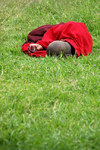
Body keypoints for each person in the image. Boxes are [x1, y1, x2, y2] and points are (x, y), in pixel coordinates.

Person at [22, 21, 93, 57]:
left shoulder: (82, 49)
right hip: (69, 28)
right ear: (61, 40)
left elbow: (50, 38)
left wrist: (41, 45)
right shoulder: (73, 29)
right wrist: (42, 45)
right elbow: (53, 33)